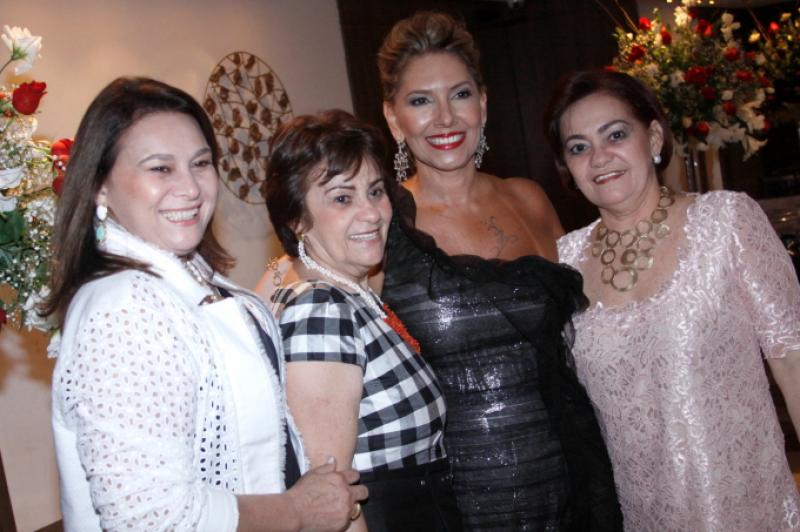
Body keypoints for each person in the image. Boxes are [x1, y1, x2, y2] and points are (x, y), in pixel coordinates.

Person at [44, 77, 367, 532]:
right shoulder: (122, 306)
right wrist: (299, 510)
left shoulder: (185, 280)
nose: (190, 187)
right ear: (100, 186)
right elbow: (150, 518)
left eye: (200, 163)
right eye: (160, 168)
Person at [377, 11, 623, 531]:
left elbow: (587, 336)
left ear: (483, 104)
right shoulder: (379, 223)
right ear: (394, 120)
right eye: (421, 101)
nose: (445, 118)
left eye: (460, 95)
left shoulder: (528, 200)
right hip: (456, 506)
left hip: (571, 483)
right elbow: (301, 285)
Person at [546, 69, 800, 530]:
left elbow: (793, 363)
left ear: (654, 137)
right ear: (568, 168)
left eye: (616, 135)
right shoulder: (563, 263)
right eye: (579, 147)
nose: (599, 158)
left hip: (748, 512)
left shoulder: (726, 224)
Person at [257, 110, 460, 532]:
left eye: (375, 191)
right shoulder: (321, 311)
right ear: (297, 218)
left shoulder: (353, 293)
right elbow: (329, 502)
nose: (372, 213)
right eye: (342, 198)